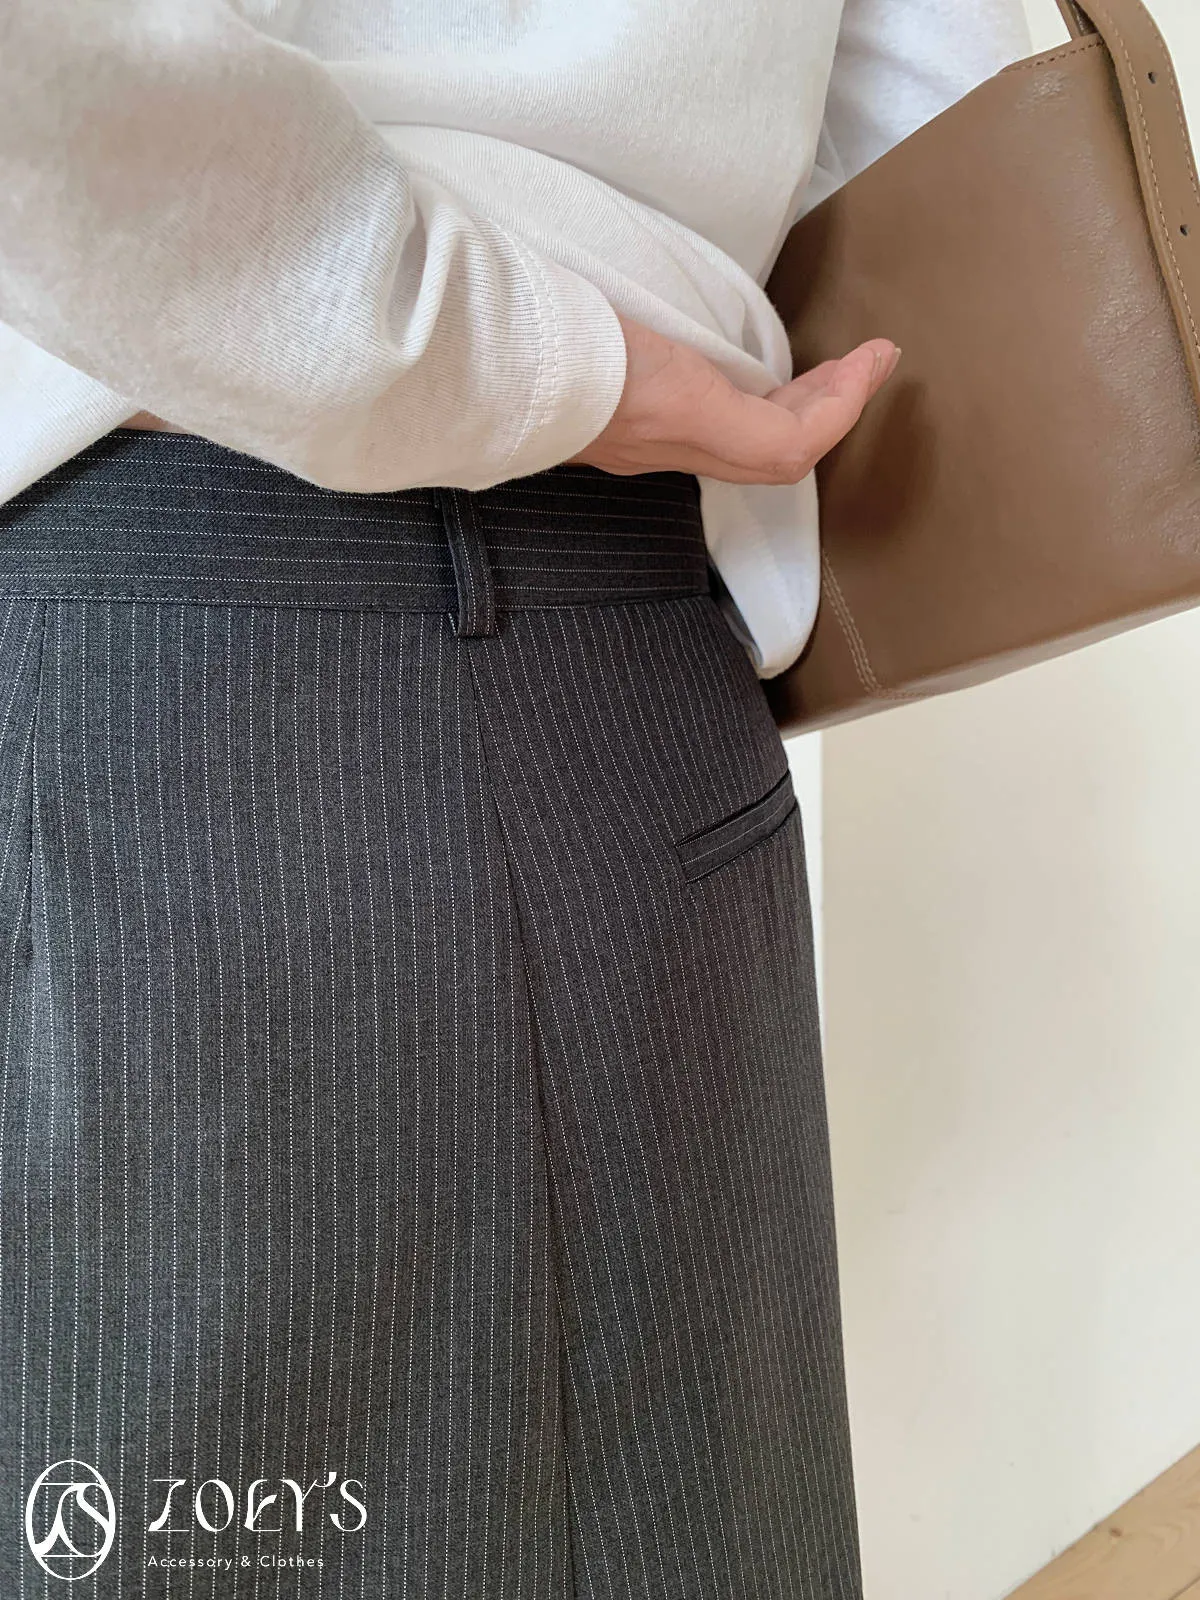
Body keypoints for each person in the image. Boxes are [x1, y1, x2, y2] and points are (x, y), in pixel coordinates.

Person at [0, 0, 1031, 1594]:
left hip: (182, 648)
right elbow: (941, 99)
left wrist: (504, 349)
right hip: (645, 664)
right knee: (697, 1531)